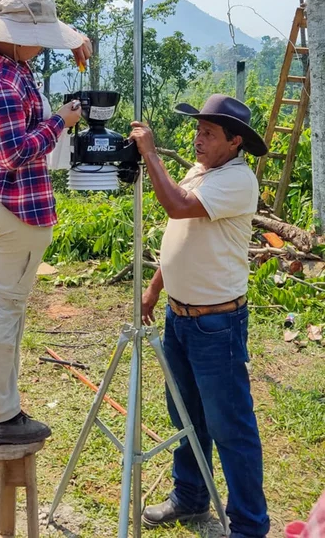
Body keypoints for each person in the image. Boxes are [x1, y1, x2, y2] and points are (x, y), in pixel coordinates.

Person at [129, 94, 270, 538]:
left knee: (230, 425)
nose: (197, 139)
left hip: (216, 325)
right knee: (186, 415)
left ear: (234, 142)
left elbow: (176, 206)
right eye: (197, 130)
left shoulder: (238, 181)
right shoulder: (204, 171)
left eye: (208, 133)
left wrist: (150, 152)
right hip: (181, 319)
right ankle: (190, 496)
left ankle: (248, 525)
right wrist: (155, 288)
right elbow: (181, 233)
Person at [0, 0, 92, 447]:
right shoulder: (0, 79)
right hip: (13, 203)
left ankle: (2, 404)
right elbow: (14, 153)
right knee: (4, 308)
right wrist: (60, 122)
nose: (45, 45)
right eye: (41, 36)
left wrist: (74, 40)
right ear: (15, 36)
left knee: (3, 305)